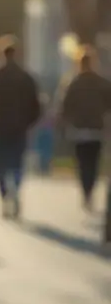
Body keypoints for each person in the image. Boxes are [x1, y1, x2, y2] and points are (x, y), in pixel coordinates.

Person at [0, 35, 42, 219]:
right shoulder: (26, 78)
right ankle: (16, 187)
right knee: (18, 162)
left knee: (0, 163)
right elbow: (36, 106)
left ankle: (5, 193)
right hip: (19, 127)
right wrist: (29, 122)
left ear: (0, 54)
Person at [57, 46, 111, 212]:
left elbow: (65, 106)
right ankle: (90, 189)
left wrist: (65, 123)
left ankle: (86, 190)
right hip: (96, 128)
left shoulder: (73, 82)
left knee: (82, 162)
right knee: (93, 162)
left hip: (78, 129)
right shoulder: (101, 82)